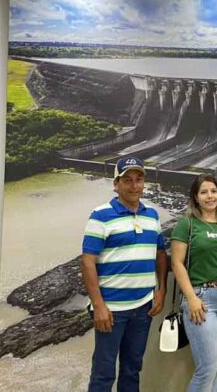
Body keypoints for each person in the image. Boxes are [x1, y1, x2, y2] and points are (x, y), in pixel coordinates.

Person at [81, 156, 168, 392]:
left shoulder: (152, 215)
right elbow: (87, 261)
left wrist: (161, 290)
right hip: (112, 310)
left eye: (138, 180)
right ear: (116, 184)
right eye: (127, 180)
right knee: (103, 373)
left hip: (143, 308)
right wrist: (98, 305)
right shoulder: (100, 215)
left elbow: (160, 253)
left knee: (132, 369)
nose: (134, 185)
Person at [171, 173, 217, 392]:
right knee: (207, 368)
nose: (210, 196)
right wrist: (191, 298)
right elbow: (177, 264)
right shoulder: (187, 225)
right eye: (204, 192)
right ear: (195, 197)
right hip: (202, 300)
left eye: (213, 191)